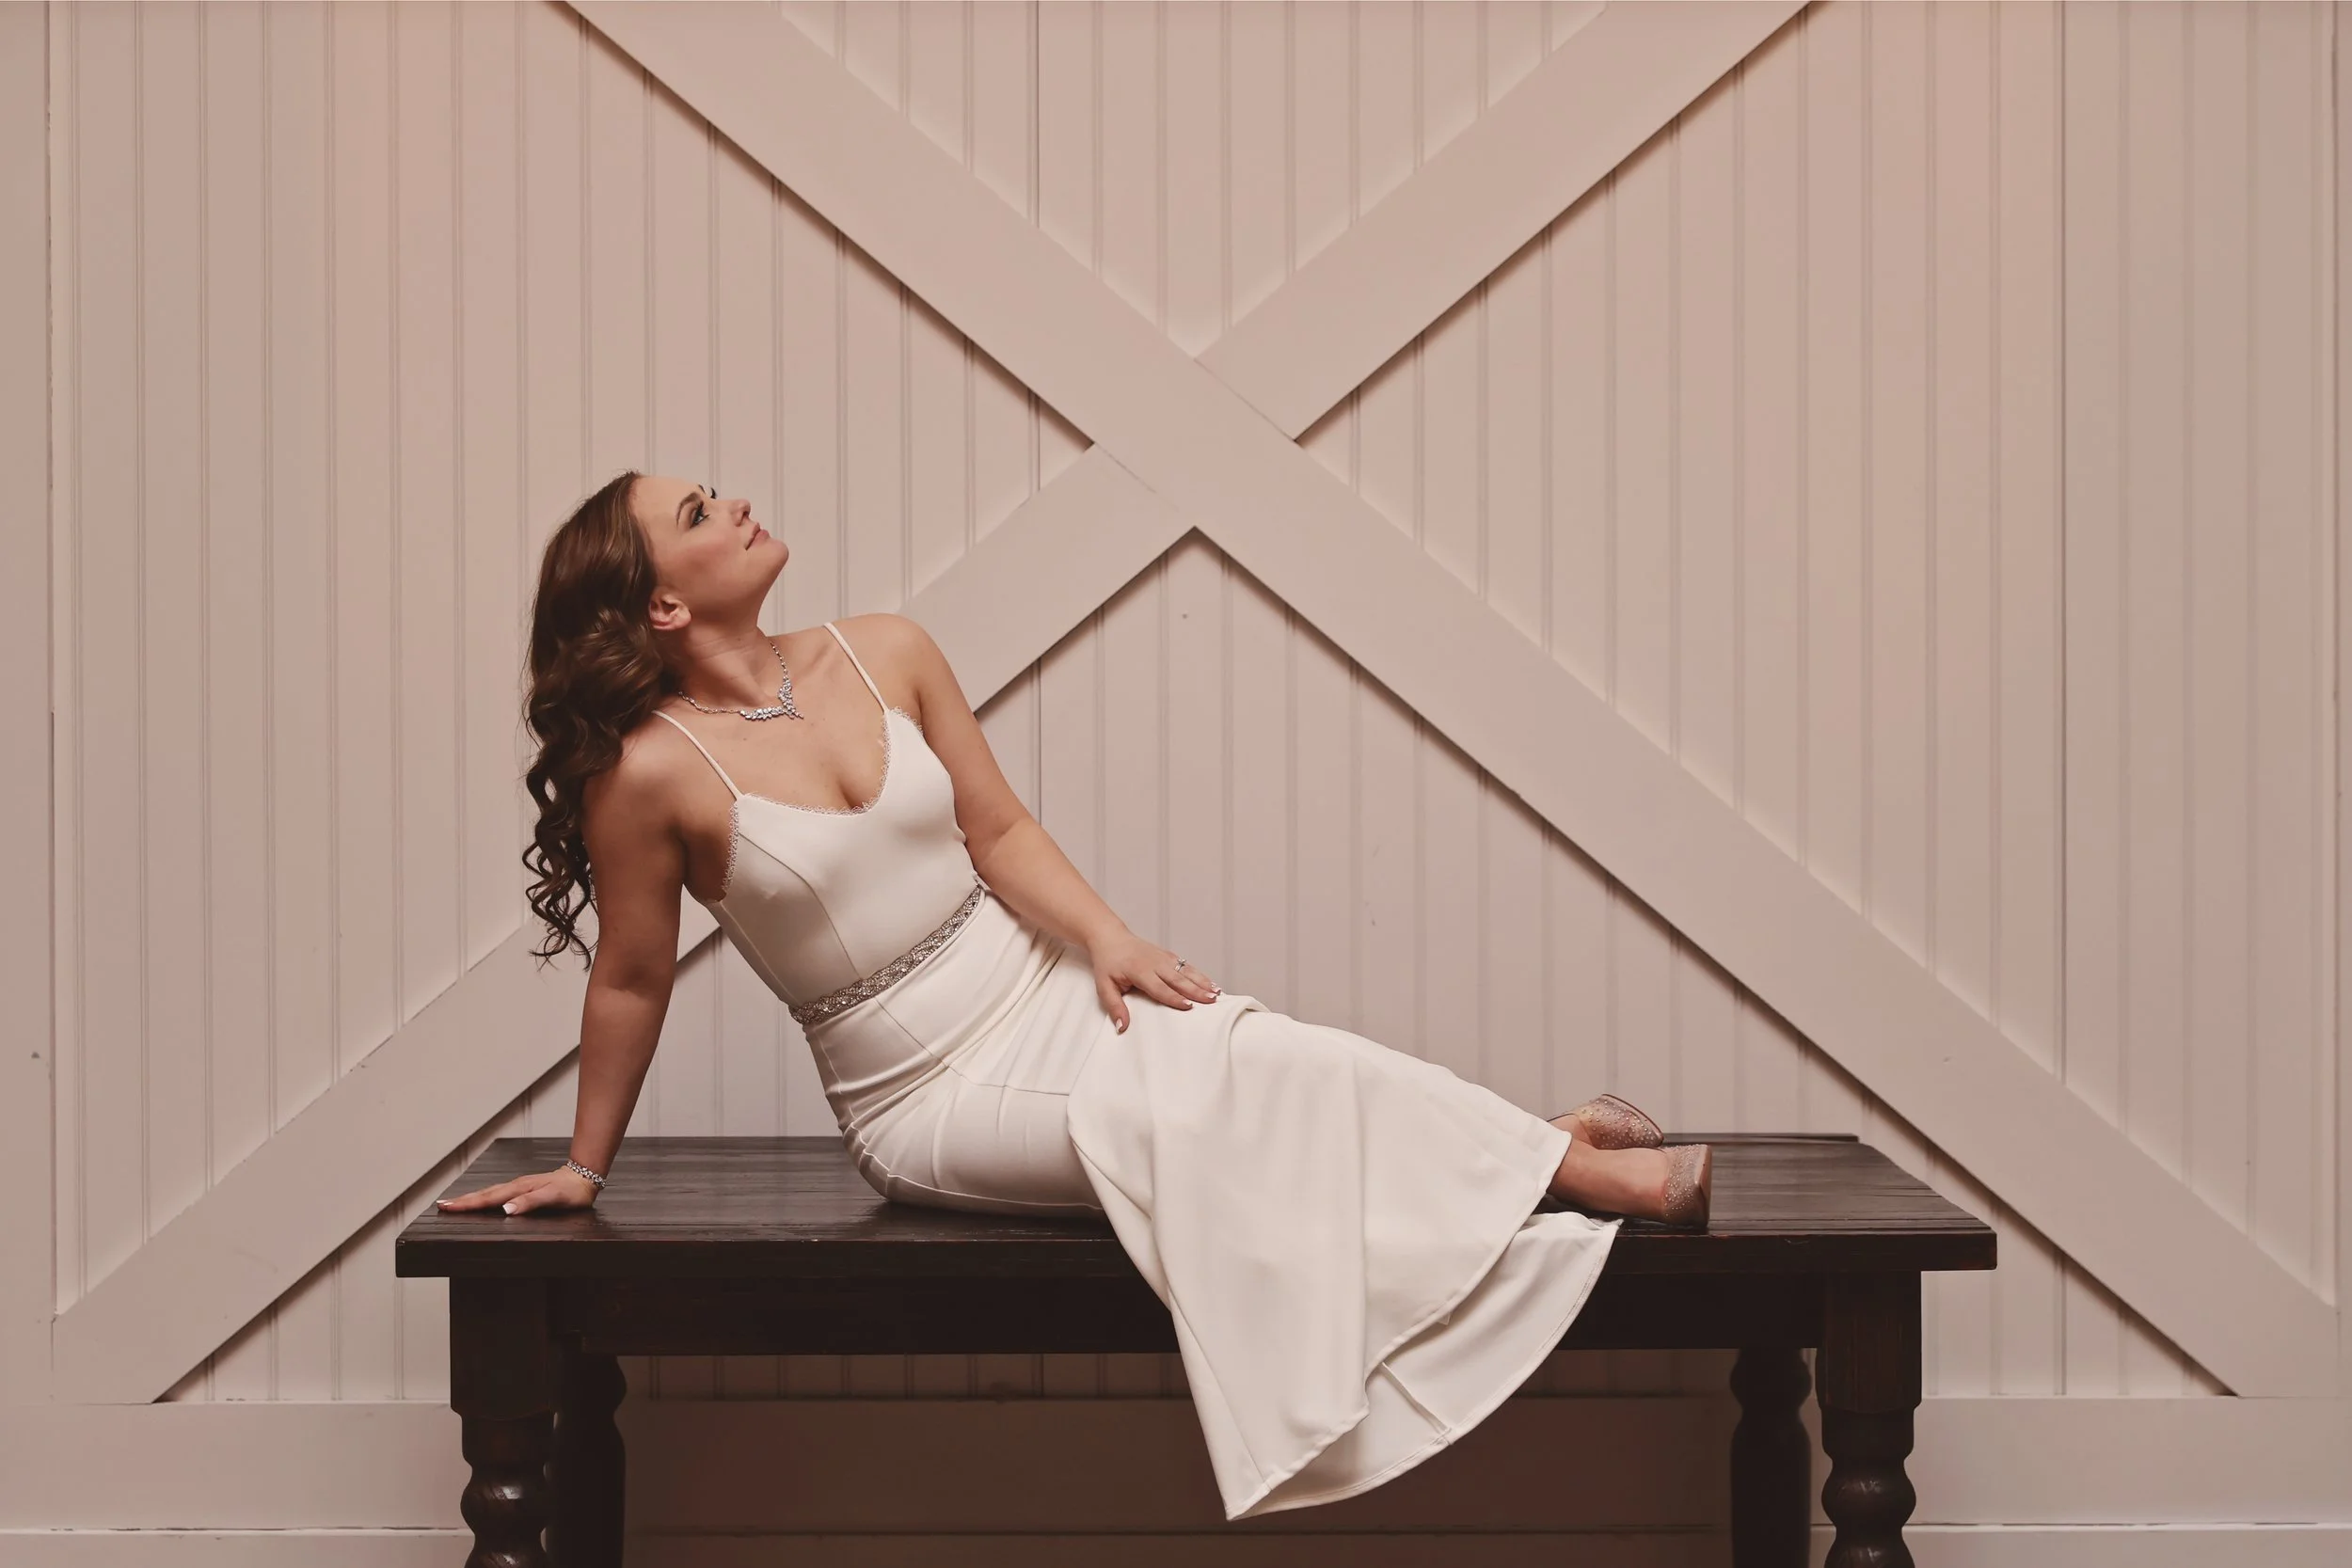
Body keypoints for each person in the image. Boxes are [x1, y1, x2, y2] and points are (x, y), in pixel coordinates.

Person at [437, 471, 1712, 1520]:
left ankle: (1536, 1154)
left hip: (1042, 986)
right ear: (661, 601)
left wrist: (1108, 939)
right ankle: (1571, 1164)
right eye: (701, 512)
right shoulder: (646, 775)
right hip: (926, 1094)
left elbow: (996, 828)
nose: (738, 503)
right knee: (1185, 1111)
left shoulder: (885, 649)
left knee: (1262, 1050)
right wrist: (586, 1167)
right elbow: (633, 978)